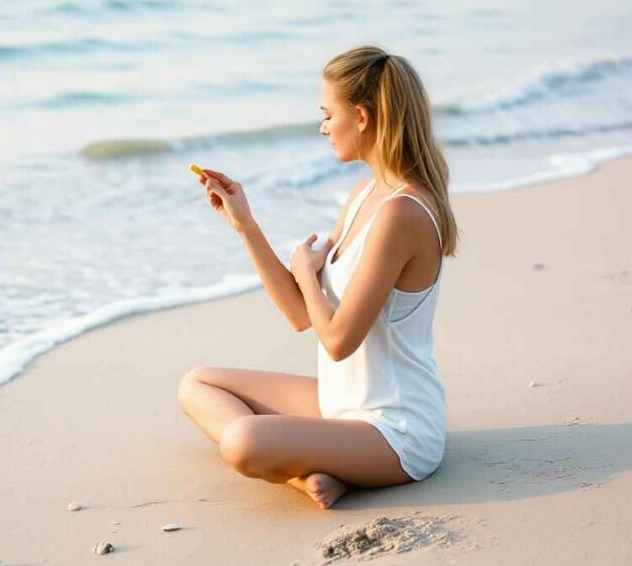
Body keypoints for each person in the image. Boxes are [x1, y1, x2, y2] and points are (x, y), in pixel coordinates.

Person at [176, 44, 461, 510]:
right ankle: (318, 470)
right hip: (340, 403)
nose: (323, 127)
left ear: (363, 117)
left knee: (242, 442)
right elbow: (298, 315)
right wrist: (245, 224)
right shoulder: (364, 195)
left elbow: (337, 341)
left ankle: (315, 469)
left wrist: (308, 274)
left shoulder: (402, 214)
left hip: (395, 431)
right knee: (198, 384)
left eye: (329, 114)